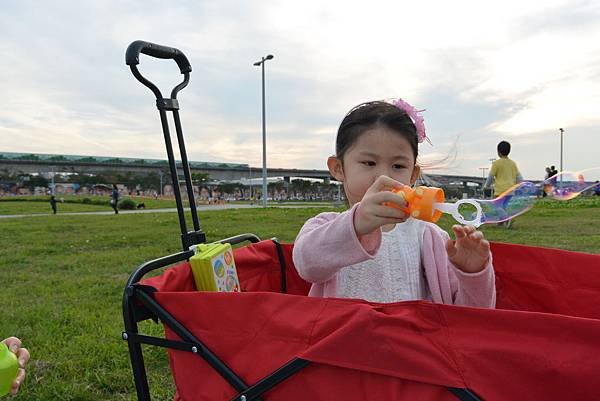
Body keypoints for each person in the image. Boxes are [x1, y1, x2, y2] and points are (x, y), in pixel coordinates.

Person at [292, 99, 495, 307]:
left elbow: (470, 317)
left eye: (398, 166)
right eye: (369, 163)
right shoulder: (325, 227)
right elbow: (306, 264)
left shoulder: (431, 238)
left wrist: (473, 274)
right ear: (338, 168)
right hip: (342, 338)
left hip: (413, 339)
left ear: (413, 175)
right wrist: (356, 223)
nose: (383, 177)